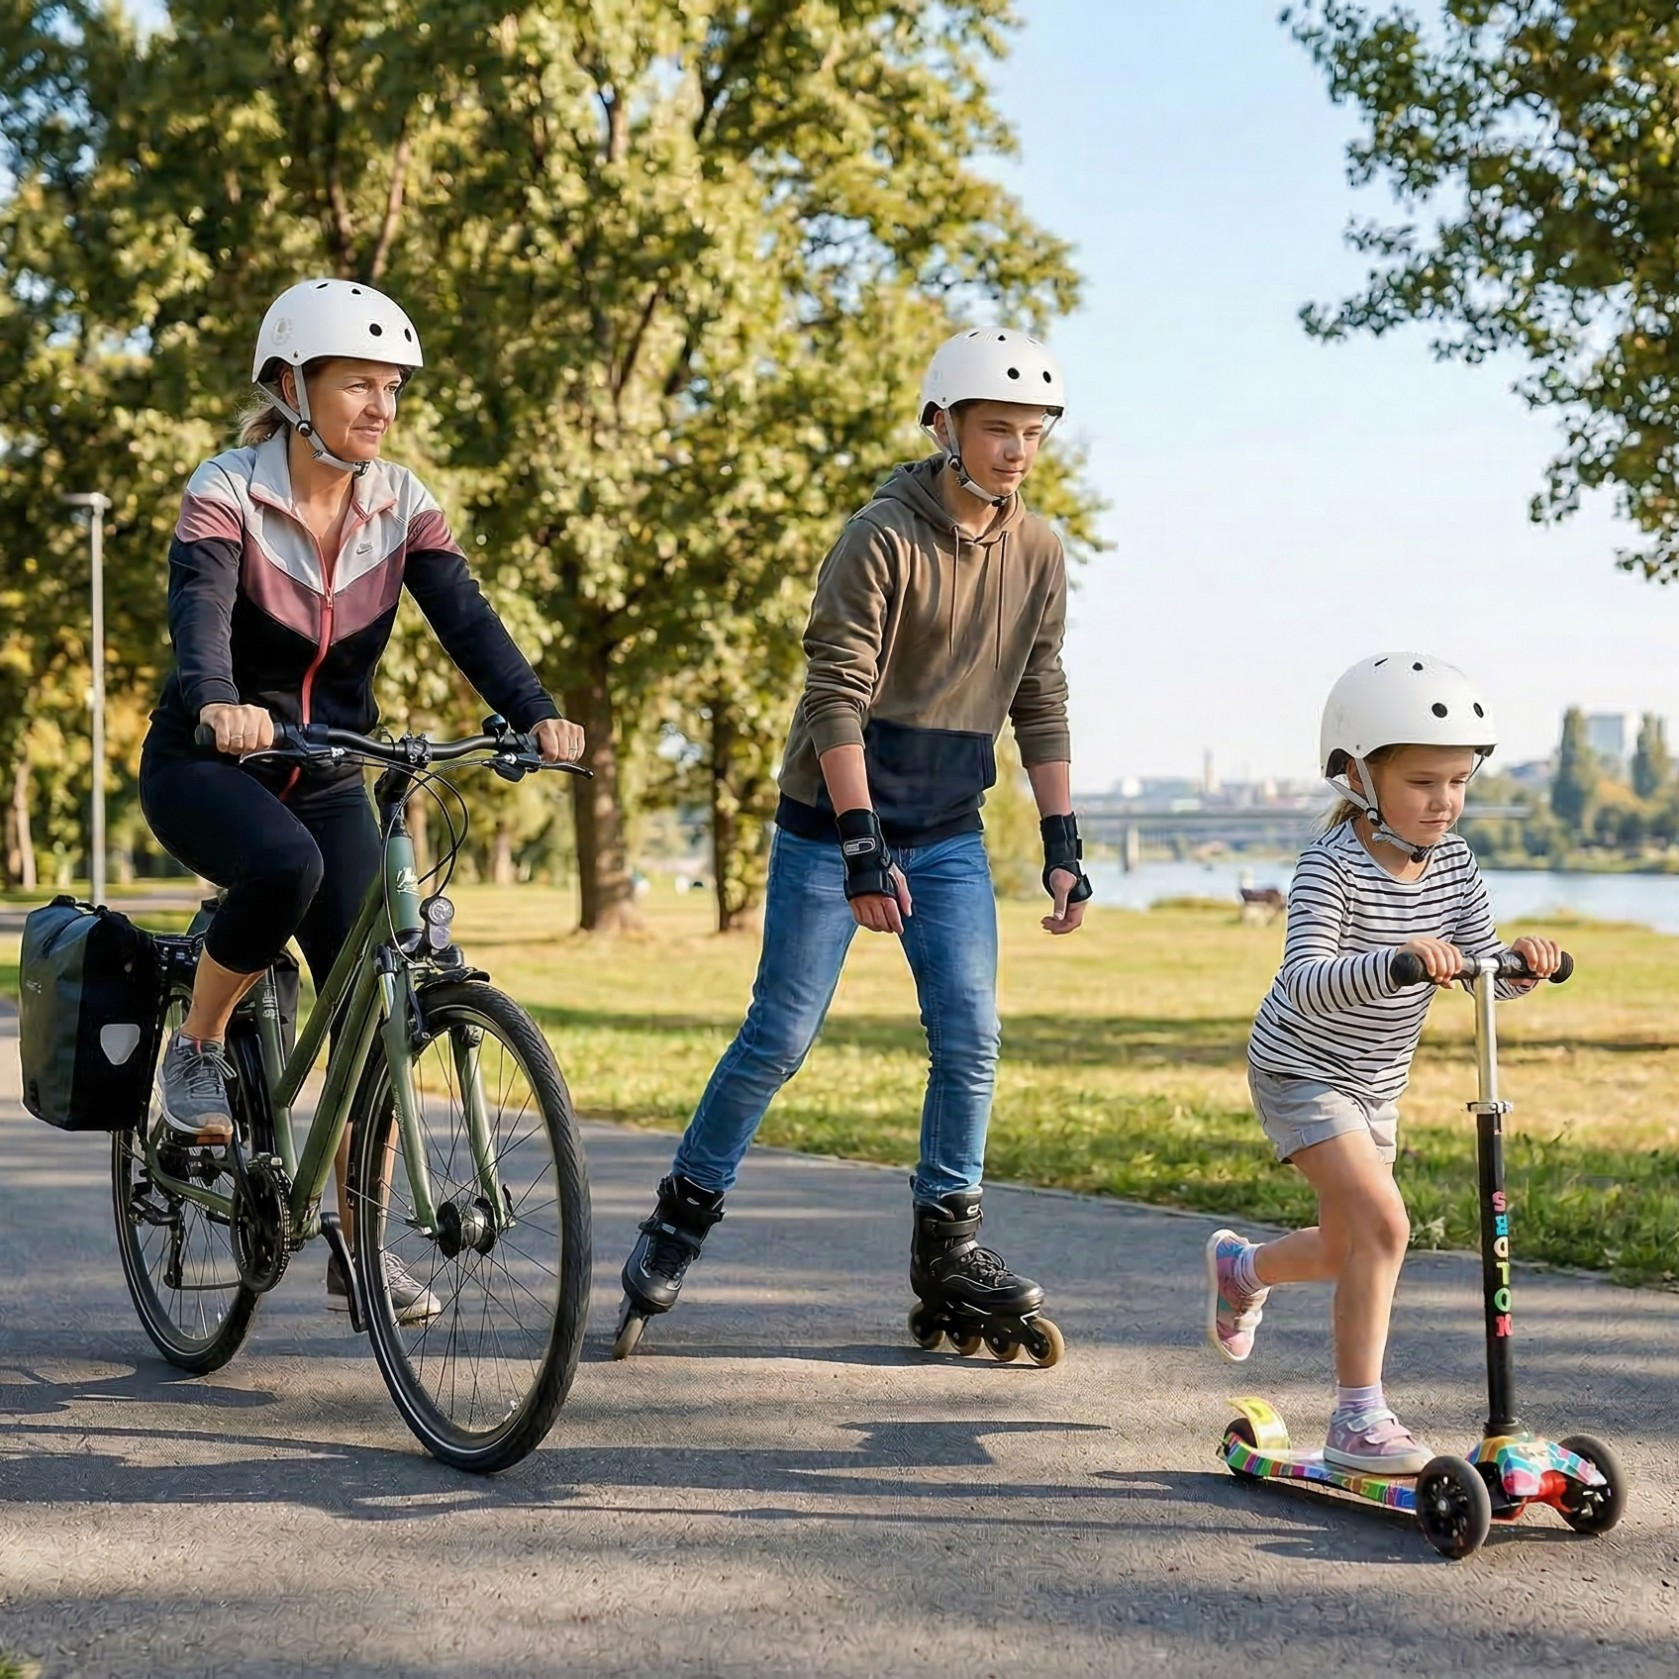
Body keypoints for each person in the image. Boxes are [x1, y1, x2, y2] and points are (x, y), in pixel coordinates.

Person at [614, 326, 1093, 1354]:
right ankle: (678, 1217)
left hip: (949, 828)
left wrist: (1061, 836)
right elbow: (833, 699)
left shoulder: (1040, 550)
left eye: (1032, 433)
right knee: (779, 1035)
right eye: (996, 429)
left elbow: (1039, 695)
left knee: (969, 1036)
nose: (1014, 450)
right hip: (833, 824)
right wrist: (861, 845)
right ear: (943, 425)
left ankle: (947, 1245)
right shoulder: (879, 536)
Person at [138, 278, 582, 1322]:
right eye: (359, 383)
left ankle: (357, 1243)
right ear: (292, 386)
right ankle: (195, 1047)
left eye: (392, 387)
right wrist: (216, 703)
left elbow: (465, 618)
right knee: (281, 867)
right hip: (209, 760)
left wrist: (535, 712)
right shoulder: (228, 490)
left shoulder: (403, 502)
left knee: (372, 1003)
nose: (382, 405)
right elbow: (197, 612)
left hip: (328, 763)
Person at [1205, 652, 1560, 1471]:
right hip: (1299, 1068)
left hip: (1374, 1085)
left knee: (1346, 1246)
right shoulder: (1328, 866)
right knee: (1385, 1224)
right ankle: (1356, 1419)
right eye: (1423, 782)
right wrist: (1395, 961)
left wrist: (1521, 966)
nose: (1444, 801)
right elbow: (1301, 980)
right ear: (1358, 775)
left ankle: (1242, 1268)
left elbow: (1481, 974)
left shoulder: (1457, 864)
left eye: (1458, 782)